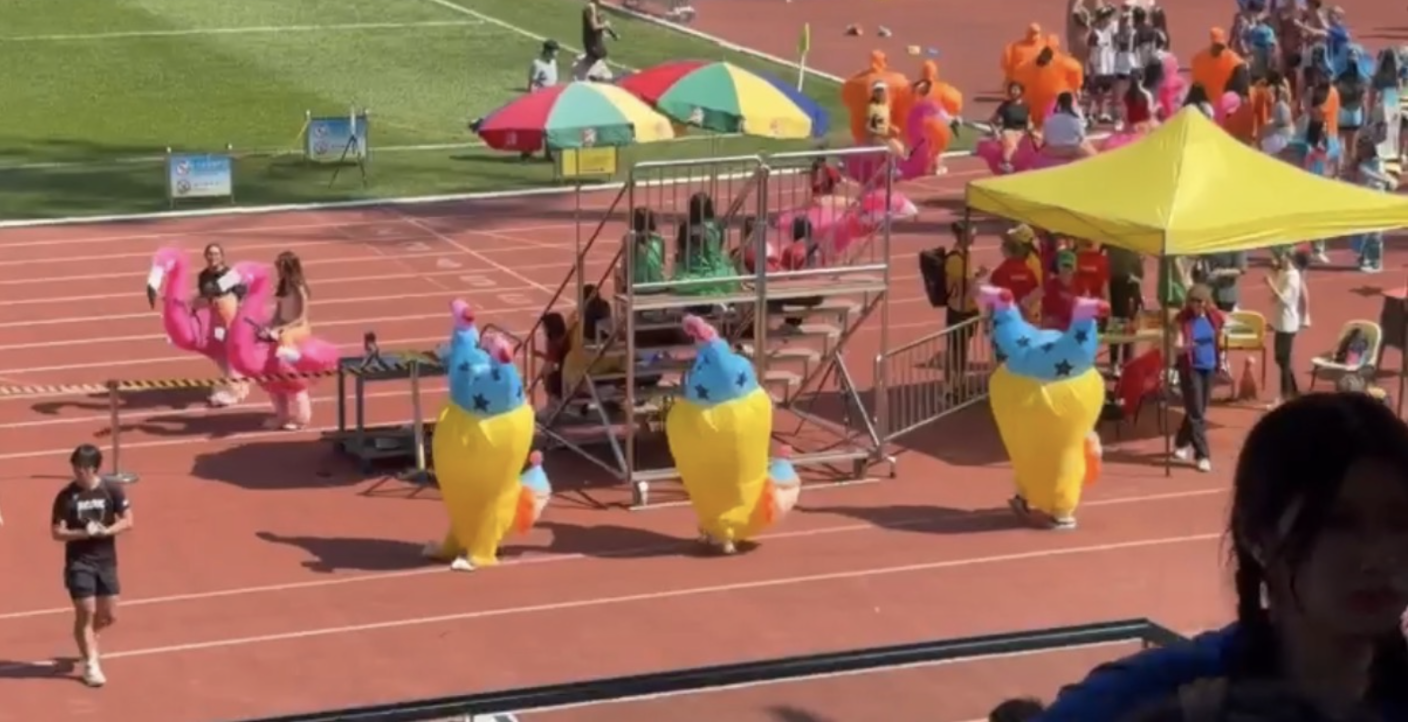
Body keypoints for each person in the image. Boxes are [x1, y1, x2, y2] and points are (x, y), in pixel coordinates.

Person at [1035, 392, 1408, 721]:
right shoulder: (1145, 696)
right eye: (1337, 523)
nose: (1377, 558)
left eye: (1400, 523)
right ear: (1256, 536)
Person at [52, 444, 133, 688]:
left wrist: (106, 530)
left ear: (93, 468)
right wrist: (82, 533)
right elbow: (57, 532)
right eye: (74, 468)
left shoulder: (112, 490)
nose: (77, 472)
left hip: (106, 561)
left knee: (108, 615)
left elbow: (128, 521)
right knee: (85, 611)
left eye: (81, 469)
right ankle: (90, 663)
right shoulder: (66, 496)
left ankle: (87, 636)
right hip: (79, 562)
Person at [1172, 284, 1223, 472]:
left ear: (1206, 302)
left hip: (1209, 367)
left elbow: (1222, 327)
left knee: (1198, 409)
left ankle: (1180, 442)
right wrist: (1185, 347)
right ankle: (1202, 455)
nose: (1196, 305)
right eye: (1192, 301)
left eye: (1200, 301)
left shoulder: (1212, 316)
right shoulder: (1183, 319)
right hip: (1191, 369)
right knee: (1197, 414)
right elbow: (1177, 345)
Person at [263, 251, 313, 429]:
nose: (278, 270)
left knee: (284, 341)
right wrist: (268, 327)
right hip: (282, 326)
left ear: (290, 268)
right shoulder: (282, 286)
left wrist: (282, 328)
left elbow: (301, 317)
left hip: (297, 328)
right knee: (271, 374)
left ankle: (301, 417)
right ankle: (281, 414)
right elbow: (277, 314)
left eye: (281, 267)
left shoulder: (299, 287)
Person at [194, 243, 247, 408]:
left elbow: (241, 294)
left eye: (216, 254)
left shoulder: (231, 275)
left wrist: (228, 302)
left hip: (231, 320)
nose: (212, 257)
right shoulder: (203, 275)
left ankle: (236, 388)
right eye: (209, 254)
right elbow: (205, 295)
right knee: (220, 353)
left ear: (222, 256)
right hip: (216, 320)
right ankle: (232, 382)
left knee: (230, 352)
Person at [944, 221, 986, 372]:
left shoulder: (964, 254)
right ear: (963, 235)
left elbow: (965, 280)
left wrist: (976, 276)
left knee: (961, 350)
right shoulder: (956, 259)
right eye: (972, 234)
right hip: (959, 311)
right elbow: (966, 287)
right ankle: (954, 385)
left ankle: (957, 384)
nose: (974, 237)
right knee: (957, 352)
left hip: (965, 308)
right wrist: (978, 278)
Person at [989, 231, 1043, 323]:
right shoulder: (1028, 271)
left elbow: (994, 300)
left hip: (1007, 322)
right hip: (1026, 321)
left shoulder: (1000, 272)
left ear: (1006, 249)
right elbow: (1036, 293)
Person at [1105, 242, 1143, 369]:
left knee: (1122, 323)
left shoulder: (1130, 250)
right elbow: (1140, 275)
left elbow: (1140, 275)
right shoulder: (1129, 248)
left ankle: (1121, 362)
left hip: (1124, 286)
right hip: (1120, 285)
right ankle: (1120, 362)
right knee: (1121, 323)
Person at [988, 81, 1034, 173]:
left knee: (1035, 141)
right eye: (1012, 90)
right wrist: (995, 131)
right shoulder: (1005, 106)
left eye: (1016, 89)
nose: (1014, 92)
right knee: (1011, 144)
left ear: (1021, 91)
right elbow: (992, 120)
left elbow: (1029, 121)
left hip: (1022, 132)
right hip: (1009, 131)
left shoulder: (1026, 106)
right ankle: (1006, 163)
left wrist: (1030, 128)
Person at [1043, 92, 1098, 158]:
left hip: (1052, 150)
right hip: (1071, 150)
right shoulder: (1075, 120)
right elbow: (1082, 137)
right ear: (1072, 104)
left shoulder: (1049, 120)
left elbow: (1045, 139)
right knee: (1086, 145)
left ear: (1059, 103)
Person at [1041, 249, 1081, 330]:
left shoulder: (1080, 286)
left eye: (1069, 266)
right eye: (1064, 266)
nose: (1066, 270)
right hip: (1053, 333)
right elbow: (1028, 302)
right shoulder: (1049, 286)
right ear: (1058, 267)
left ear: (1074, 269)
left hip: (1072, 332)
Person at [577, 0, 616, 82]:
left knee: (600, 59)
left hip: (594, 43)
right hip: (593, 44)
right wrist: (605, 25)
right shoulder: (591, 7)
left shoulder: (594, 6)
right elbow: (594, 27)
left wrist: (604, 31)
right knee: (596, 62)